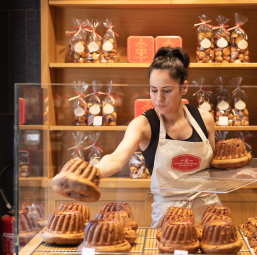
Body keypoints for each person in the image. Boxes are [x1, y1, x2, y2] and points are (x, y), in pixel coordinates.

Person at [95, 47, 222, 227]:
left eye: (167, 91)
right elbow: (116, 159)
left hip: (209, 213)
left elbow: (215, 167)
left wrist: (241, 172)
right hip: (168, 218)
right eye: (153, 90)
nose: (159, 98)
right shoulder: (143, 124)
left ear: (184, 87)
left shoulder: (205, 120)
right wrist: (91, 172)